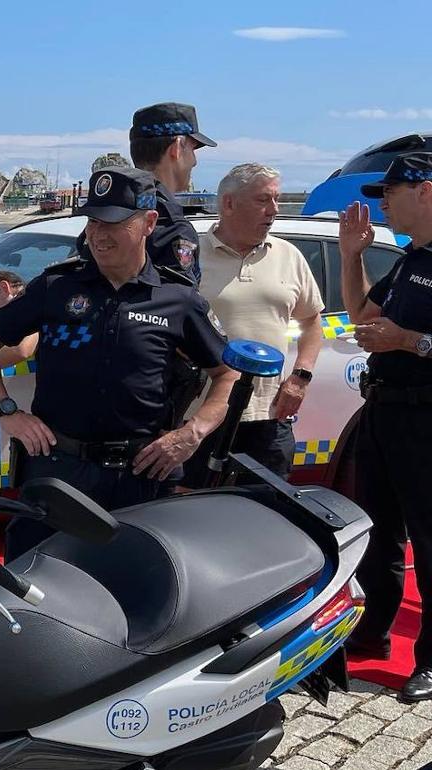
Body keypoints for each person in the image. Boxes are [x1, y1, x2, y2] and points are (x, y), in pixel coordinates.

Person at [0, 167, 237, 556]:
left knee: (136, 587)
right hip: (58, 471)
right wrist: (6, 411)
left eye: (114, 222)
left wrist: (192, 434)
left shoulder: (178, 300)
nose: (98, 233)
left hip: (142, 475)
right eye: (93, 220)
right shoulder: (56, 287)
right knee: (35, 583)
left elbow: (226, 372)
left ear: (149, 223)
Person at [336, 152, 432, 702]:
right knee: (379, 532)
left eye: (391, 191)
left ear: (425, 191)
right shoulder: (408, 259)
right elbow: (361, 316)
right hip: (383, 412)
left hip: (425, 418)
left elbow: (401, 336)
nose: (382, 203)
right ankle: (373, 630)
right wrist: (351, 256)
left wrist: (411, 343)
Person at [182, 164, 324, 485]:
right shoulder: (189, 258)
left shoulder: (288, 255)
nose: (274, 210)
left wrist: (300, 377)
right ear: (229, 204)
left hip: (268, 417)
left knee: (264, 516)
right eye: (263, 200)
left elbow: (312, 321)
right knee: (191, 515)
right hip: (200, 414)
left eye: (276, 199)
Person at [129, 102, 217, 284]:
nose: (194, 161)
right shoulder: (172, 227)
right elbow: (179, 305)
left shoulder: (103, 215)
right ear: (177, 148)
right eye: (193, 148)